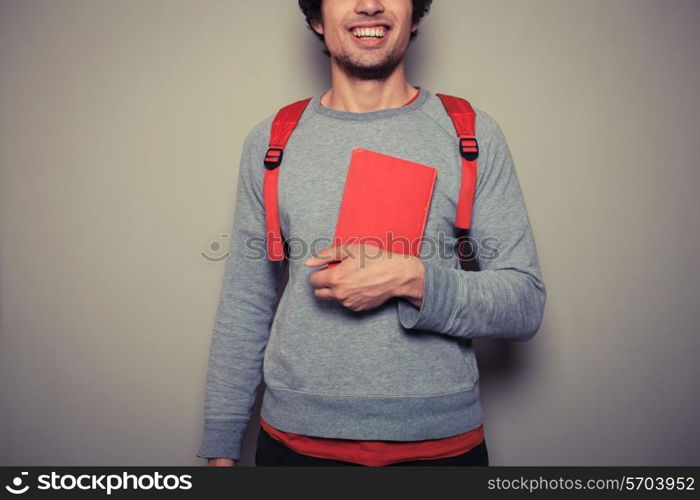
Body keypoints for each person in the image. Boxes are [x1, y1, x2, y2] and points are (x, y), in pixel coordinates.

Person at [197, 0, 546, 467]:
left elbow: (524, 303)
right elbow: (246, 300)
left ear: (416, 13)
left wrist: (412, 281)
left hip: (441, 447)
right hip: (293, 447)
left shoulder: (472, 133)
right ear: (317, 17)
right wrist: (221, 444)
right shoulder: (272, 141)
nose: (369, 4)